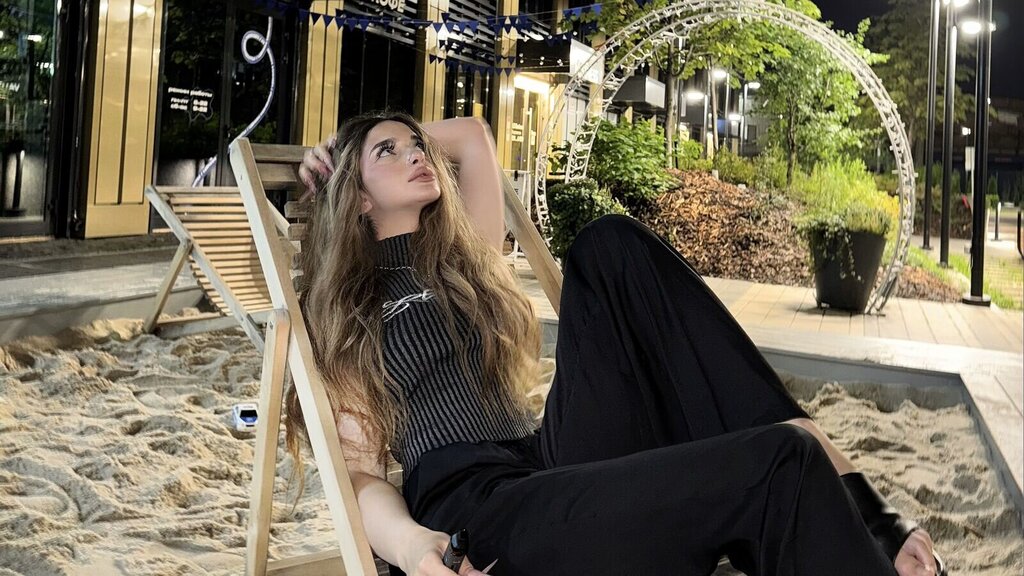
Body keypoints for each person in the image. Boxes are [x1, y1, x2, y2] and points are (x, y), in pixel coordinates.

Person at [291, 111, 944, 576]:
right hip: (481, 509)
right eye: (389, 152)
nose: (416, 154)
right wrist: (411, 547)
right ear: (357, 199)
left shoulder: (461, 268)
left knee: (608, 244)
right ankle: (857, 506)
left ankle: (854, 497)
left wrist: (366, 141)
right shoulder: (352, 310)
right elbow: (360, 476)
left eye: (416, 145)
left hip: (547, 459)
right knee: (783, 457)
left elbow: (471, 137)